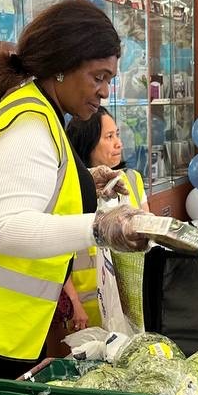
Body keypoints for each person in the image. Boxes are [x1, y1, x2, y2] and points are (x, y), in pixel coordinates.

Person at [0, 0, 155, 378]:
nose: (105, 91)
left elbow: (32, 183)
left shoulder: (40, 111)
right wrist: (98, 228)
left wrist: (85, 183)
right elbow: (3, 228)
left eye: (109, 79)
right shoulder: (30, 126)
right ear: (61, 67)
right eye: (98, 77)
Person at [62, 106, 148, 330]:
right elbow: (57, 255)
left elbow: (149, 236)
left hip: (131, 300)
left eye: (117, 134)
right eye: (109, 137)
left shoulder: (132, 179)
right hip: (87, 307)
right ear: (87, 142)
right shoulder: (70, 189)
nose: (118, 143)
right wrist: (73, 303)